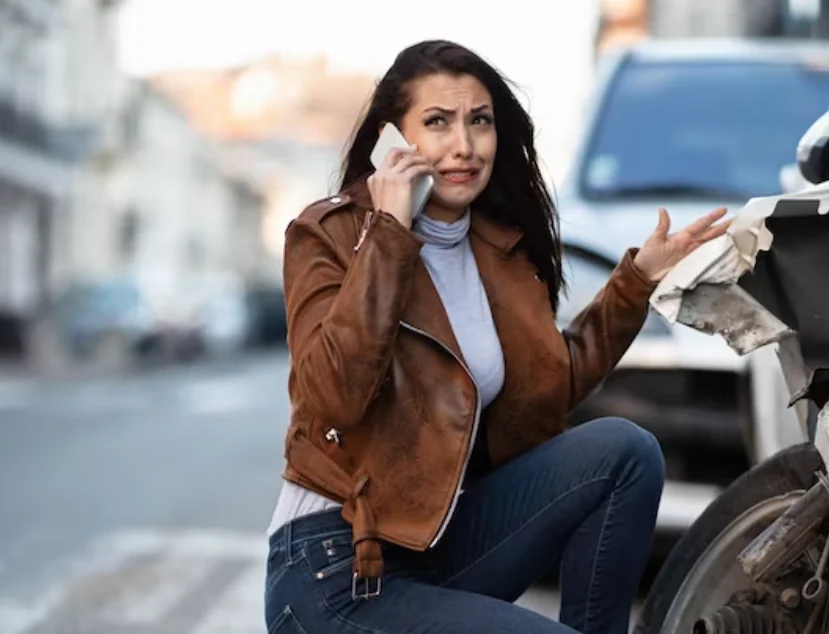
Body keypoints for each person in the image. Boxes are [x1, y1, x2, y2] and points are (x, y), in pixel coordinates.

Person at [264, 39, 730, 634]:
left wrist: (635, 282)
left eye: (479, 122)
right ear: (393, 141)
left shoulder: (499, 249)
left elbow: (548, 389)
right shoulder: (329, 234)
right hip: (337, 570)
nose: (464, 146)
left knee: (624, 451)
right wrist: (388, 232)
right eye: (437, 123)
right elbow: (332, 397)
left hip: (444, 545)